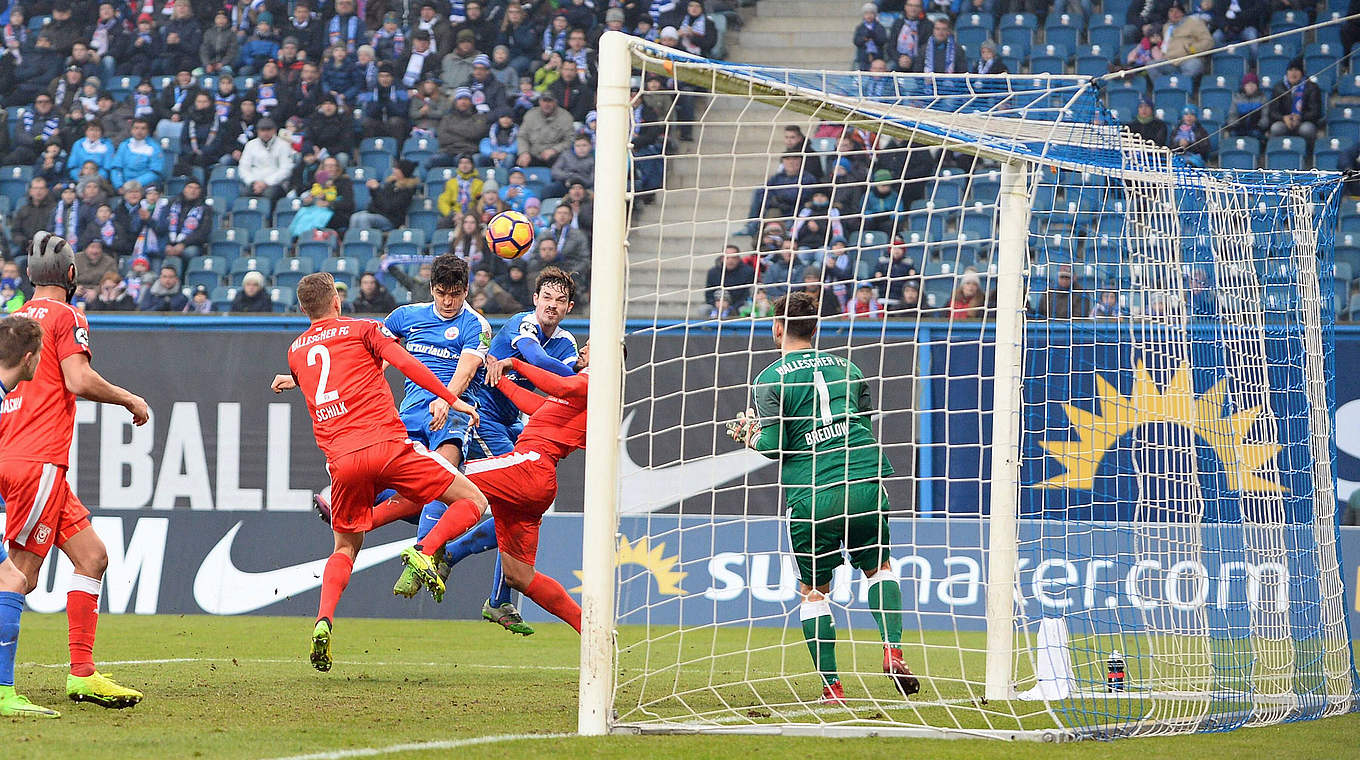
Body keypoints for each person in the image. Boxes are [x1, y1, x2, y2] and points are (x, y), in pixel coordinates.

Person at [269, 272, 488, 672]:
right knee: (472, 500)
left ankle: (323, 621)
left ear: (303, 309)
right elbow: (408, 363)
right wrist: (450, 400)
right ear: (337, 300)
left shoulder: (296, 351)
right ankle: (424, 552)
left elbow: (328, 374)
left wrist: (294, 379)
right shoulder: (364, 328)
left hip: (343, 464)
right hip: (389, 447)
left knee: (345, 547)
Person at [725, 291, 918, 705]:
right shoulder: (848, 368)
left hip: (814, 494)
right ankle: (892, 650)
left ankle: (833, 688)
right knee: (880, 570)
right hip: (865, 481)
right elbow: (861, 419)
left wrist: (750, 434)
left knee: (815, 592)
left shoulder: (770, 379)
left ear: (778, 328)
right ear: (816, 328)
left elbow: (776, 445)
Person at [0, 232, 149, 717]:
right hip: (38, 460)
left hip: (21, 457)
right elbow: (78, 379)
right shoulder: (67, 316)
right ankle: (2, 691)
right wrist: (129, 398)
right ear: (71, 275)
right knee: (17, 575)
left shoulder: (13, 320)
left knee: (92, 556)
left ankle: (82, 675)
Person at [419, 267, 582, 632]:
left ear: (569, 307)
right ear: (535, 299)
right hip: (483, 412)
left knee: (517, 502)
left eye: (560, 301)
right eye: (547, 298)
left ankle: (490, 589)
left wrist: (579, 371)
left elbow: (563, 385)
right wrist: (574, 372)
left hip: (512, 418)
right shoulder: (521, 325)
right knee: (454, 480)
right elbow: (539, 363)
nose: (552, 307)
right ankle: (428, 547)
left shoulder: (567, 344)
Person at [239, 118, 296, 202]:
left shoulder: (283, 145)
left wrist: (266, 182)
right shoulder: (250, 145)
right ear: (258, 131)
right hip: (254, 182)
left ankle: (268, 215)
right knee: (244, 193)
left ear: (274, 130)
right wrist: (253, 182)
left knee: (269, 194)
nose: (265, 133)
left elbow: (286, 169)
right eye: (262, 130)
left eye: (269, 129)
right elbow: (243, 167)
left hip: (275, 184)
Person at [1267, 61, 1322, 141]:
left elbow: (1315, 111)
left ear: (1302, 73)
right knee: (1276, 128)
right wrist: (1284, 118)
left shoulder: (1312, 87)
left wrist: (1300, 117)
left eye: (1296, 70)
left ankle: (1307, 152)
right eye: (1290, 70)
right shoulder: (1278, 87)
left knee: (1306, 129)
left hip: (1304, 121)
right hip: (1284, 122)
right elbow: (1272, 111)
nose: (1293, 73)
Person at [1160, 4, 1211, 78]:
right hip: (1169, 61)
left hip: (1188, 59)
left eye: (1177, 11)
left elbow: (1208, 41)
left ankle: (1181, 86)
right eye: (1171, 11)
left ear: (1183, 13)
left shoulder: (1194, 23)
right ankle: (1165, 87)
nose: (1174, 14)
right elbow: (1164, 45)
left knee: (1193, 66)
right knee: (1151, 65)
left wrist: (1192, 49)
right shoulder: (1166, 26)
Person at [853, 2, 889, 70]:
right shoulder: (860, 28)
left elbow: (883, 41)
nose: (869, 16)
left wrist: (874, 37)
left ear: (875, 15)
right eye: (866, 13)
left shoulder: (880, 27)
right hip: (863, 58)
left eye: (871, 13)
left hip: (877, 57)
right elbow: (856, 41)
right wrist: (864, 39)